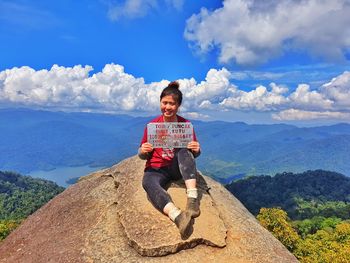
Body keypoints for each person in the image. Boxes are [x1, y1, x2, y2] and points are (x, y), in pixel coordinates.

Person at [138, 81, 201, 238]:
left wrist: (197, 150)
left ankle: (192, 201)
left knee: (184, 152)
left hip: (176, 167)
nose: (167, 107)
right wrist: (143, 150)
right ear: (160, 102)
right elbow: (141, 153)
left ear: (178, 105)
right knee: (148, 183)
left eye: (172, 104)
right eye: (164, 102)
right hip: (157, 168)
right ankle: (177, 216)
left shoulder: (185, 125)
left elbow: (194, 155)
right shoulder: (152, 126)